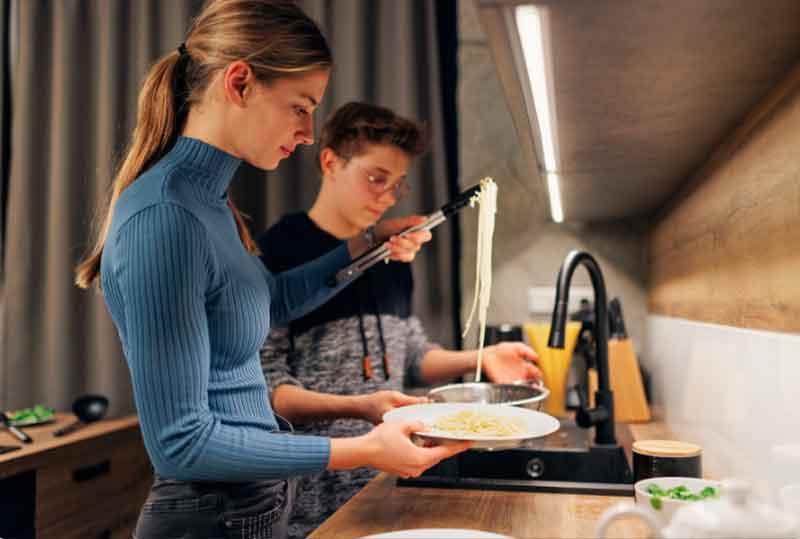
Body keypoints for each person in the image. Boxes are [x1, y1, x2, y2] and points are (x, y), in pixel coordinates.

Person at [74, 3, 469, 538]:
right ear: (240, 83)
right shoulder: (165, 216)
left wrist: (370, 244)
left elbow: (272, 302)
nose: (308, 132)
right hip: (210, 517)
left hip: (248, 510)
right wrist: (362, 450)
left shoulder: (210, 202)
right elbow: (182, 443)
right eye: (299, 107)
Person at [258, 102, 542, 537]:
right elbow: (270, 392)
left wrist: (482, 358)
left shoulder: (392, 253)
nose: (388, 197)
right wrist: (360, 408)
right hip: (308, 494)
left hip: (385, 479)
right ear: (331, 162)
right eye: (376, 178)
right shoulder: (280, 250)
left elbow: (411, 355)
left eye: (397, 185)